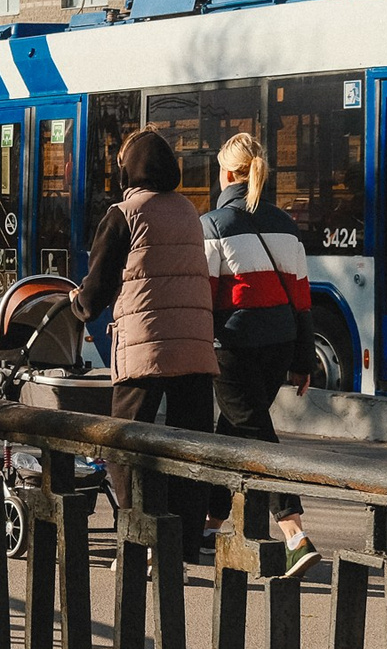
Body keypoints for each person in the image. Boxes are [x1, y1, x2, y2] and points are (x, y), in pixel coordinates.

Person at [71, 128, 217, 562]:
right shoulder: (190, 210)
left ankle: (141, 538)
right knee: (191, 449)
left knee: (122, 445)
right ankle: (185, 544)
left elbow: (95, 291)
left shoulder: (123, 215)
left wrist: (78, 305)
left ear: (127, 170)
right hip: (194, 349)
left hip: (145, 351)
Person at [202, 132, 320, 578]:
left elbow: (206, 298)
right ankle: (211, 526)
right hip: (281, 345)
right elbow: (302, 298)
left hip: (232, 347)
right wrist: (303, 359)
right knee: (228, 432)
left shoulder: (212, 225)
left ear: (228, 173)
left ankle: (294, 531)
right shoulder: (286, 225)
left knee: (253, 431)